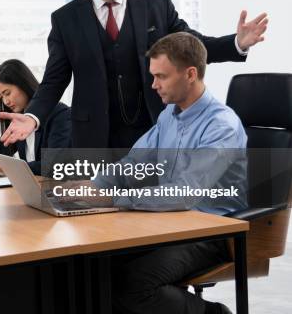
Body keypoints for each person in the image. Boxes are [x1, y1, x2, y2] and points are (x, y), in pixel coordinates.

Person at [0, 0, 267, 150]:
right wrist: (33, 117)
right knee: (94, 205)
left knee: (149, 205)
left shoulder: (156, 4)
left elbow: (190, 46)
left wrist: (235, 43)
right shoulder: (66, 19)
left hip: (152, 127)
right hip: (94, 137)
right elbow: (54, 79)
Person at [60, 32, 246, 314]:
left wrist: (111, 199)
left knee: (131, 284)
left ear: (190, 74)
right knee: (91, 265)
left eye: (161, 76)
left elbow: (184, 193)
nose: (154, 85)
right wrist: (91, 185)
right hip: (170, 223)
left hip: (210, 233)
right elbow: (133, 163)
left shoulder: (221, 126)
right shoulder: (169, 115)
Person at [0, 59, 71, 176]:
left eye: (7, 93)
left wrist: (1, 167)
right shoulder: (19, 118)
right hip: (32, 188)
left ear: (23, 84)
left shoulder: (60, 114)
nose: (5, 101)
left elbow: (54, 165)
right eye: (1, 96)